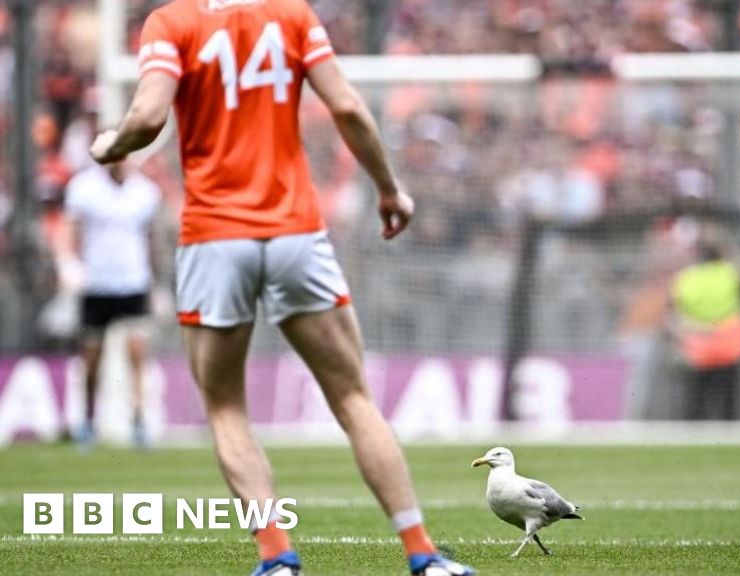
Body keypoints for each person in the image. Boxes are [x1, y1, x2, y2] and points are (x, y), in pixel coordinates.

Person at [88, 1, 474, 575]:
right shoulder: (290, 15)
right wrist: (389, 188)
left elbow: (147, 118)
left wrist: (110, 147)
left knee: (225, 406)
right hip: (294, 230)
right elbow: (345, 104)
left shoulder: (172, 22)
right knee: (353, 398)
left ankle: (278, 560)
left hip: (214, 237)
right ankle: (423, 555)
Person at [64, 158, 161, 449]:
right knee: (92, 360)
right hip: (96, 284)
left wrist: (156, 283)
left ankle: (139, 420)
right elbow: (71, 230)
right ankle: (87, 422)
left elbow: (151, 239)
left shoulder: (145, 191)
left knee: (138, 356)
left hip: (134, 283)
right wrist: (68, 263)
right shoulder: (83, 188)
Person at [666, 237, 740, 420]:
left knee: (696, 399)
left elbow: (673, 308)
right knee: (729, 400)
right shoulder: (731, 273)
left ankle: (694, 437)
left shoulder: (685, 277)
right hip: (729, 344)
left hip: (697, 344)